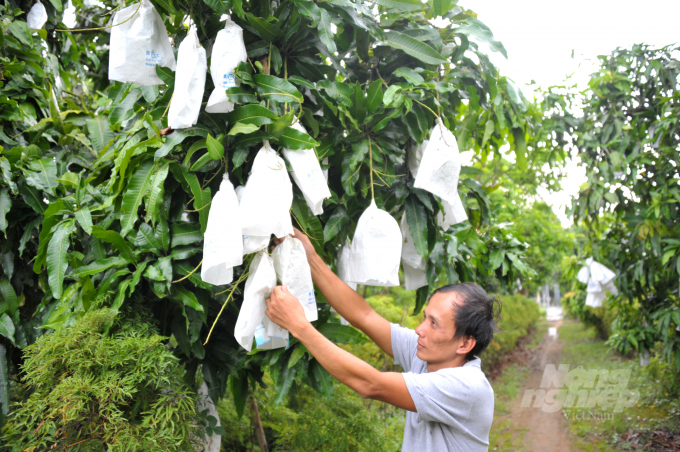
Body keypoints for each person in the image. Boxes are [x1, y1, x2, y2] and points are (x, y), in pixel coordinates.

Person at [265, 228, 501, 452]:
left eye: (434, 323)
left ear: (464, 344)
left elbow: (371, 384)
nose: (419, 330)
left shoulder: (466, 387)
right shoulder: (430, 354)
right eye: (425, 318)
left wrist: (299, 326)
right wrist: (312, 258)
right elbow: (365, 316)